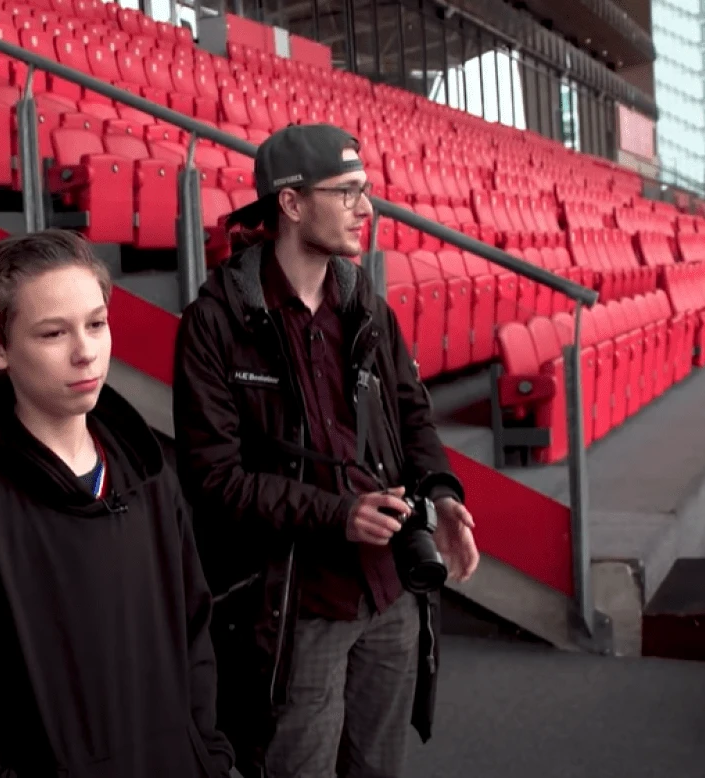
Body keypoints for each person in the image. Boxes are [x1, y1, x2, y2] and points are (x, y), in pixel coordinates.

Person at [171, 124, 481, 778]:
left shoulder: (365, 301)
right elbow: (212, 479)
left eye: (365, 192)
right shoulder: (216, 321)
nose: (365, 209)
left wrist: (443, 494)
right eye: (346, 193)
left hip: (391, 593)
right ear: (289, 203)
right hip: (298, 605)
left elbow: (414, 416)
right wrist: (335, 515)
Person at [0, 229, 235, 778]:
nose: (85, 351)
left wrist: (206, 757)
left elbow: (195, 636)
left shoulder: (151, 478)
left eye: (96, 324)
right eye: (53, 333)